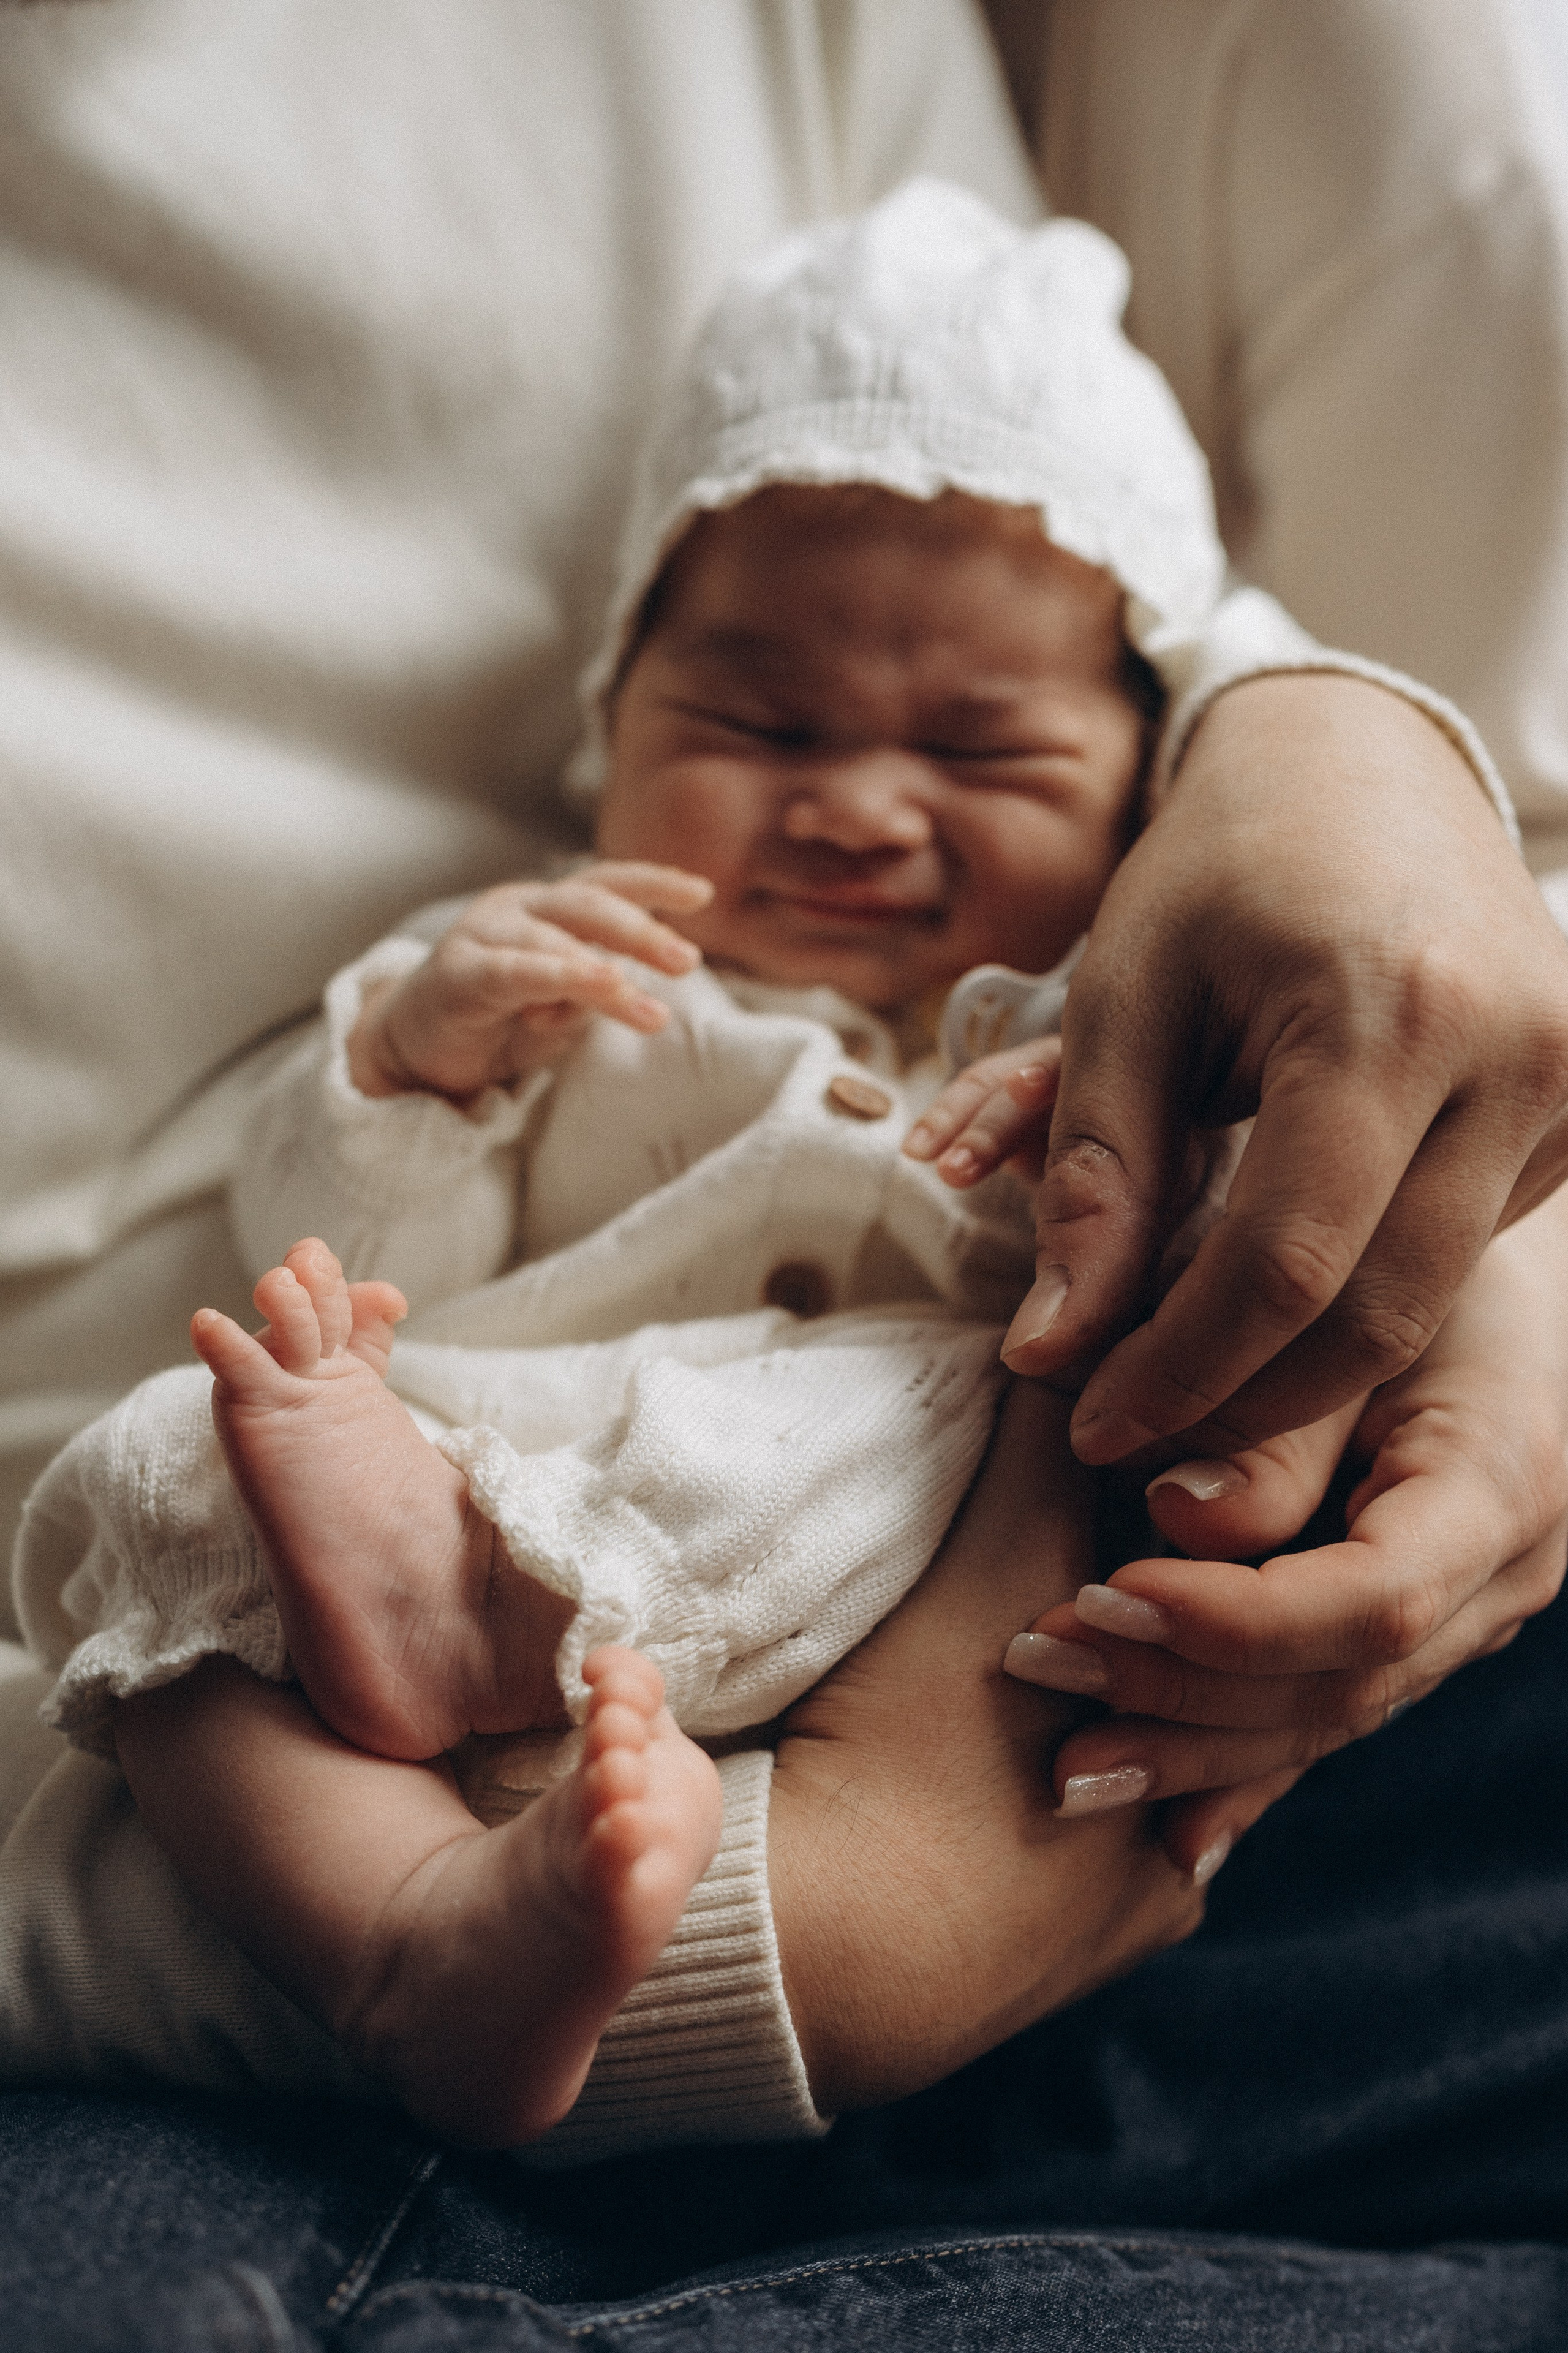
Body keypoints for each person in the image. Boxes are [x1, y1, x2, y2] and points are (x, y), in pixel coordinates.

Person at [6, 2, 1568, 2344]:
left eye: (980, 747)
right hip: (517, 1553)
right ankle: (425, 1906)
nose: (852, 799)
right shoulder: (588, 992)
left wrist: (1148, 1070)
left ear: (1149, 792)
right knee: (161, 1479)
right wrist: (420, 1069)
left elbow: (1247, 1240)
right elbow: (367, 1256)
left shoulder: (1065, 1023)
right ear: (608, 738)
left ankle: (473, 1778)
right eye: (750, 725)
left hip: (911, 1544)